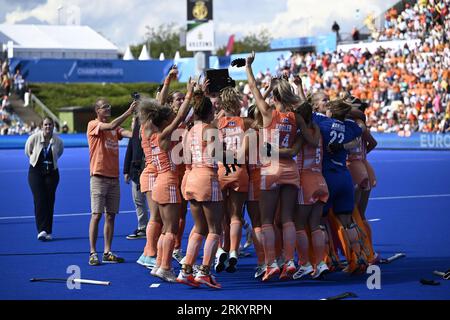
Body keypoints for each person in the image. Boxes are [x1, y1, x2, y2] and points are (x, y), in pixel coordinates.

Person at [140, 78, 195, 282]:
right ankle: (165, 267)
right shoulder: (163, 135)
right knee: (171, 229)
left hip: (159, 182)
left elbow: (167, 112)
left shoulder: (149, 133)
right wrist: (189, 94)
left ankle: (159, 265)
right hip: (169, 181)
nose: (174, 116)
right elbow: (180, 115)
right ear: (164, 121)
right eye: (169, 117)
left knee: (165, 228)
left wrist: (166, 84)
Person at [177, 91, 224, 288]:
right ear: (210, 110)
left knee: (199, 227)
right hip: (207, 177)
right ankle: (204, 271)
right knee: (215, 229)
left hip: (192, 177)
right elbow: (220, 155)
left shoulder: (188, 131)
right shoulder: (210, 129)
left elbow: (186, 159)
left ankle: (186, 268)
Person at [87, 98, 137, 266]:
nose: (108, 108)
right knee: (96, 215)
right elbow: (109, 126)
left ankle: (107, 251)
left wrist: (137, 121)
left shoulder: (115, 129)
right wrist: (128, 112)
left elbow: (130, 134)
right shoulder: (93, 124)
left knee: (111, 216)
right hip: (99, 177)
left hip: (113, 178)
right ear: (97, 110)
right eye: (104, 107)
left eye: (109, 106)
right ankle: (93, 252)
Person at [25, 117, 64, 241]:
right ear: (42, 126)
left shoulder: (58, 141)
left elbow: (59, 153)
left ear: (53, 126)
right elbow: (28, 151)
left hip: (52, 173)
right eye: (46, 125)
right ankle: (41, 230)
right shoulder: (34, 138)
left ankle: (48, 230)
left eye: (50, 125)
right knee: (39, 199)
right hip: (35, 172)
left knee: (50, 200)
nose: (48, 127)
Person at [124, 113, 149, 240]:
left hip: (150, 170)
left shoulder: (151, 130)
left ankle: (160, 227)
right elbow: (130, 150)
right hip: (136, 171)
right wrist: (126, 170)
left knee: (153, 201)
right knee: (138, 200)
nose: (134, 122)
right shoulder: (134, 134)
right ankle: (143, 227)